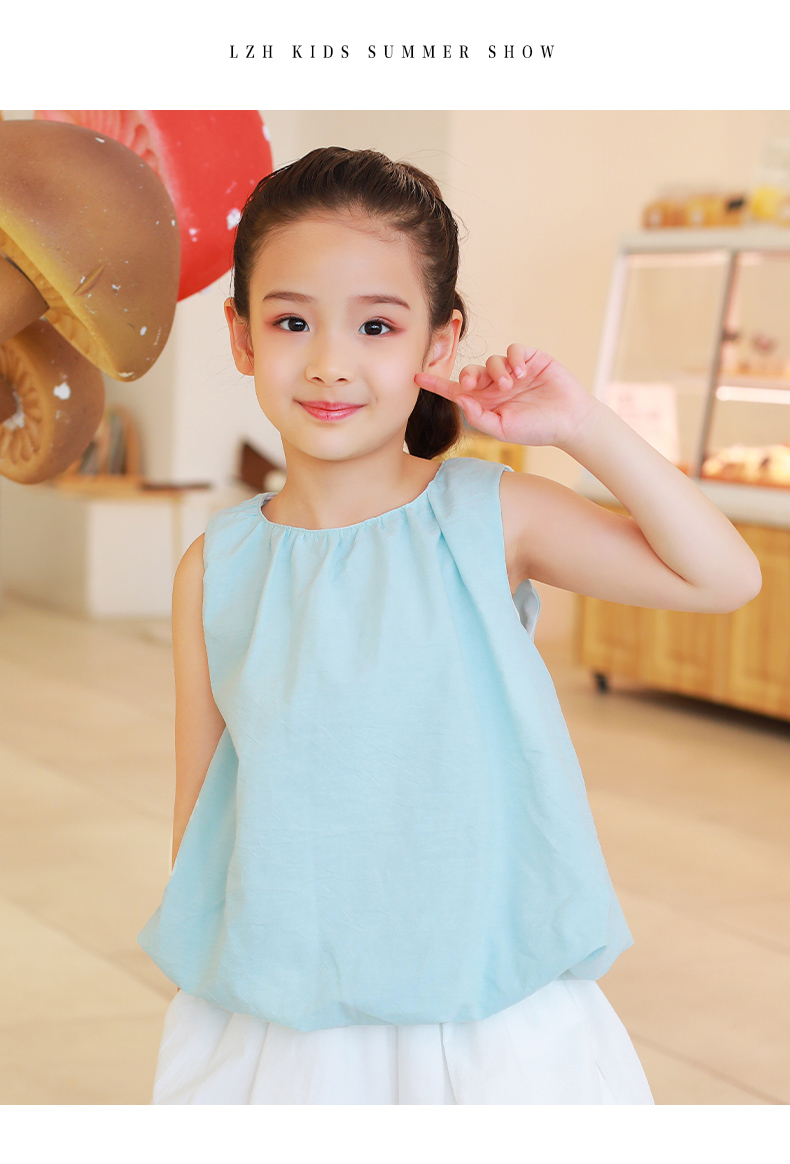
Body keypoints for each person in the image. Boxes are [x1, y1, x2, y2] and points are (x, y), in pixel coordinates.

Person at [137, 147, 761, 1105]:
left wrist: (580, 425)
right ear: (241, 335)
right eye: (292, 321)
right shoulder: (217, 566)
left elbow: (723, 577)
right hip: (291, 1019)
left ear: (439, 344)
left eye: (377, 325)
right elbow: (201, 813)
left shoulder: (490, 516)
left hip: (484, 1012)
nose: (331, 361)